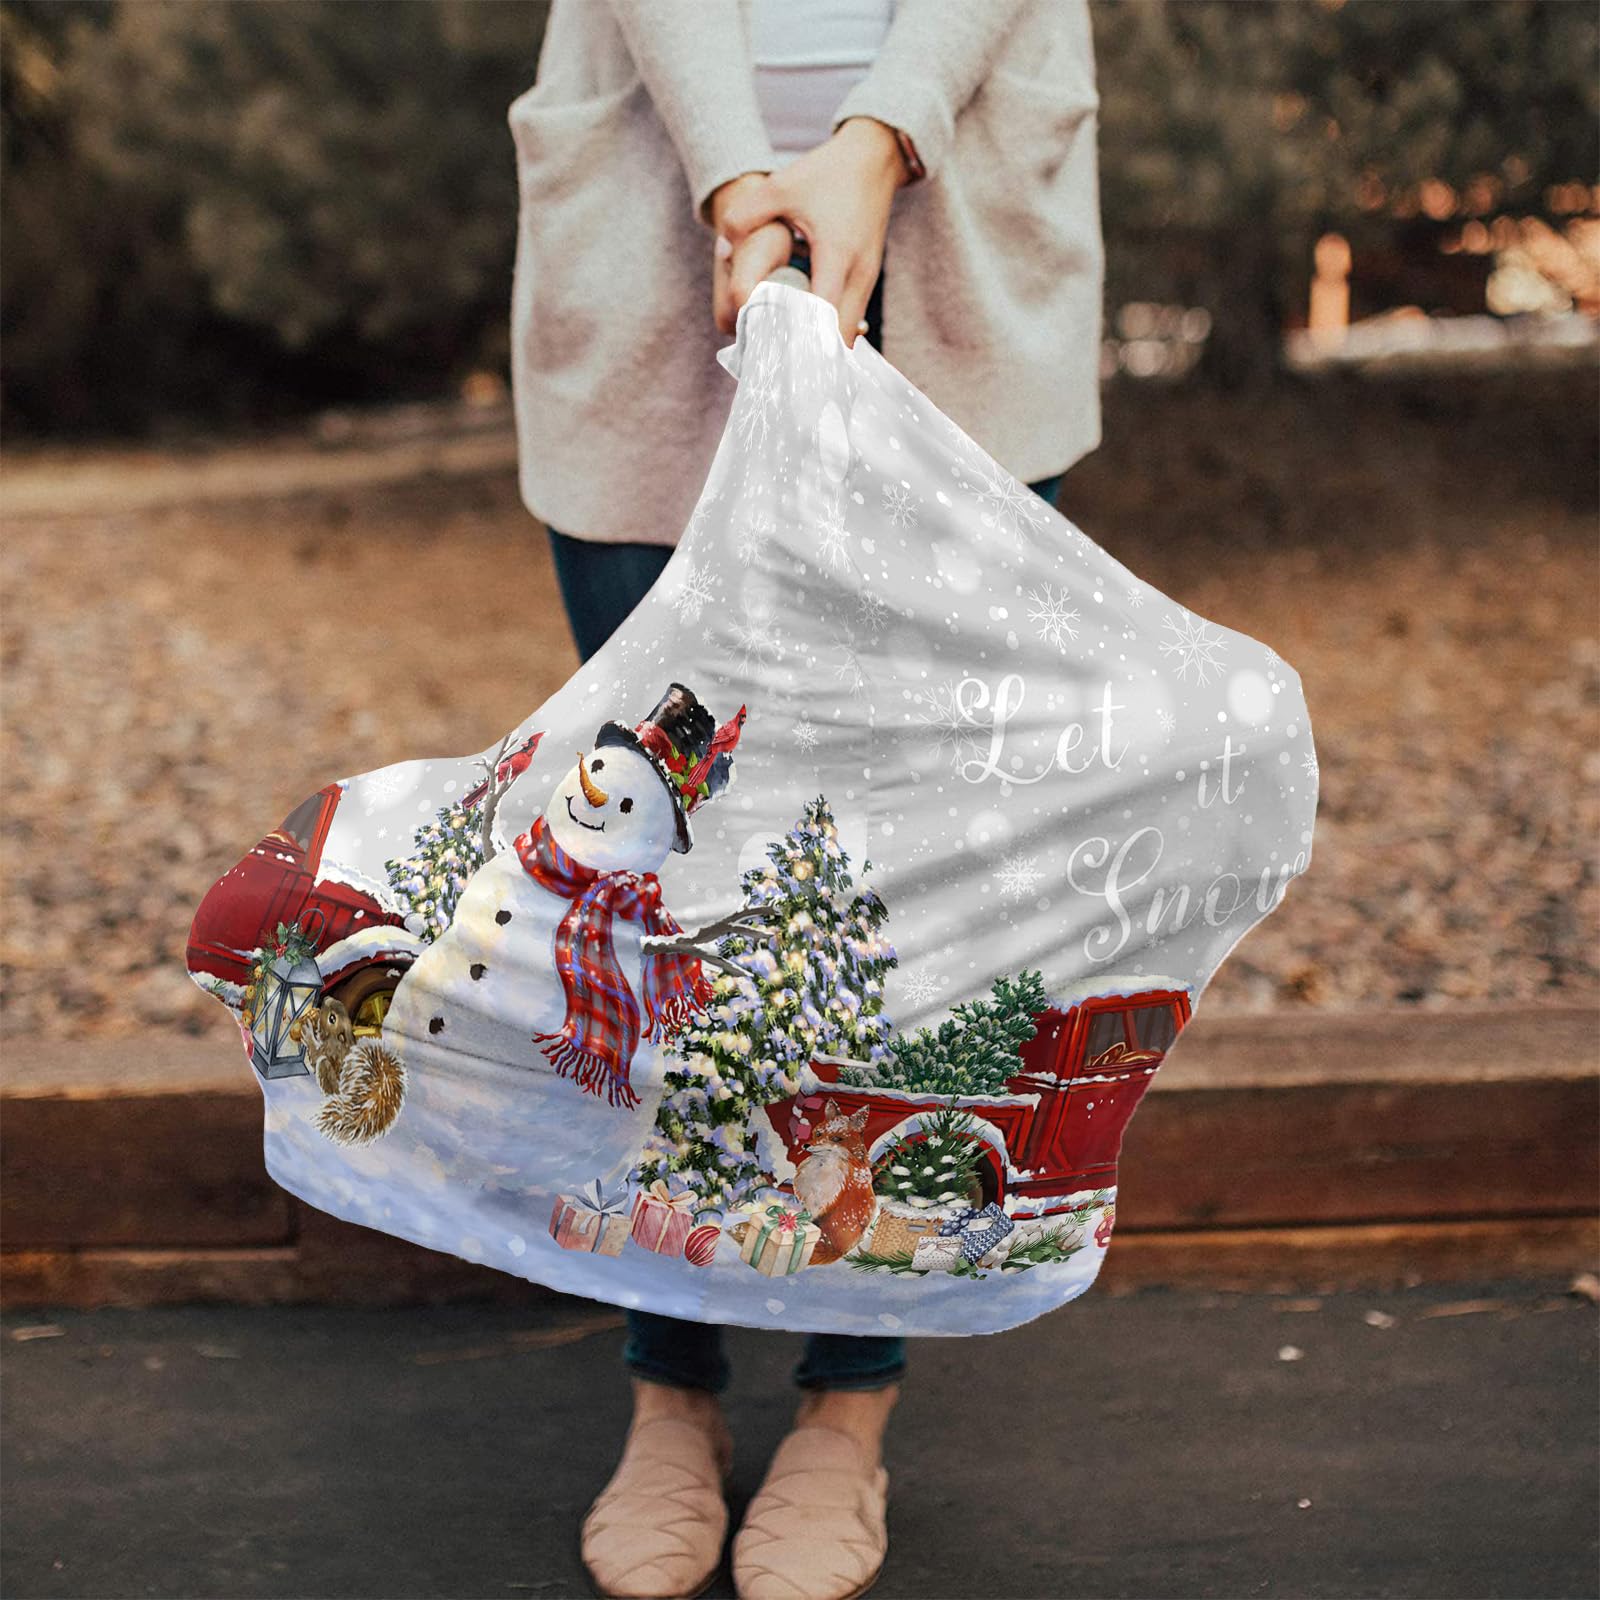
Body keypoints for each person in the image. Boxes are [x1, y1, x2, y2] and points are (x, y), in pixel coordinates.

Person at [507, 4, 1103, 1595]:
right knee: (662, 874)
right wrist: (734, 178)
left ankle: (849, 1404)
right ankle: (671, 1385)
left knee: (902, 890)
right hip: (658, 219)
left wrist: (876, 136)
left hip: (958, 217)